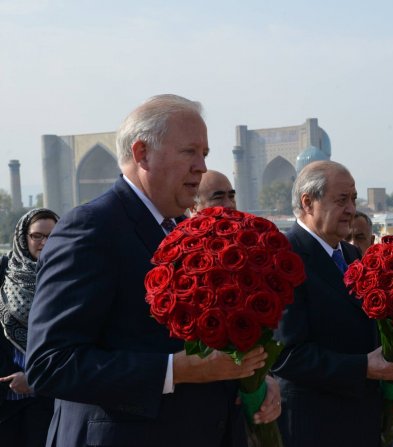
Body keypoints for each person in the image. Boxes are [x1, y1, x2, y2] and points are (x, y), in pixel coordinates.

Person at [25, 94, 279, 447]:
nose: (202, 166)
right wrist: (175, 371)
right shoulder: (92, 228)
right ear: (142, 153)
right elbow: (50, 364)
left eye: (204, 154)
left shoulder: (183, 231)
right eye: (190, 151)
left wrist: (254, 380)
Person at [272, 160, 393, 447]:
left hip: (361, 421)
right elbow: (286, 356)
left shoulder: (351, 255)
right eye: (341, 200)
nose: (351, 209)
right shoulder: (284, 257)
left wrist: (388, 380)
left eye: (354, 199)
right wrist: (363, 368)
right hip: (314, 427)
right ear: (308, 202)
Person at [0, 208, 58, 446]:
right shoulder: (4, 273)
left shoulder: (68, 277)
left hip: (50, 398)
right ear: (24, 238)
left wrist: (34, 379)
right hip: (6, 399)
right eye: (37, 236)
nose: (44, 242)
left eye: (52, 236)